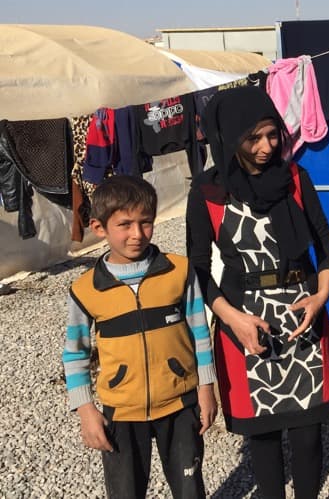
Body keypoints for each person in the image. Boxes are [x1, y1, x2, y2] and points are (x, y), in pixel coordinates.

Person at [186, 87, 329, 499]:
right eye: (253, 138)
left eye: (272, 135)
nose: (267, 147)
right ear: (231, 137)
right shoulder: (207, 192)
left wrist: (322, 296)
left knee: (308, 436)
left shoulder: (294, 178)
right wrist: (233, 319)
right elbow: (198, 266)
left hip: (301, 317)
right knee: (264, 438)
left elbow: (325, 243)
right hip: (246, 324)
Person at [63, 175, 217, 498]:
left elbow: (200, 332)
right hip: (121, 411)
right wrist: (86, 410)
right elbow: (75, 354)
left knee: (190, 489)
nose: (137, 234)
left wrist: (206, 388)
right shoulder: (85, 290)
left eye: (146, 222)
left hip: (179, 403)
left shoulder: (179, 271)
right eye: (125, 224)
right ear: (98, 226)